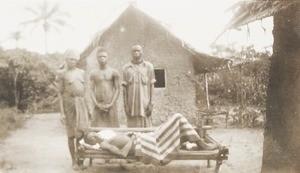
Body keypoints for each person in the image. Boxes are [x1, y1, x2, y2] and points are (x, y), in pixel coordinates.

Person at [81, 113, 222, 166]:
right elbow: (123, 154)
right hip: (144, 142)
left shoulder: (105, 134)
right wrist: (132, 138)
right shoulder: (104, 144)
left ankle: (199, 143)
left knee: (178, 118)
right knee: (178, 118)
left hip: (149, 137)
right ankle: (200, 144)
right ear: (93, 143)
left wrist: (132, 136)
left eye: (93, 134)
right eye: (91, 139)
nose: (94, 136)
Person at [56, 50, 90, 170]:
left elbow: (85, 92)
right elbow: (60, 94)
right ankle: (73, 161)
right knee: (71, 134)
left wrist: (88, 108)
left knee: (80, 133)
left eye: (76, 60)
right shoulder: (61, 73)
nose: (73, 62)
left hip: (80, 104)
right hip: (69, 104)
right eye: (71, 59)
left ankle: (80, 160)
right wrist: (62, 113)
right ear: (66, 60)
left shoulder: (81, 72)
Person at [122, 45, 156, 127]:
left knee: (146, 128)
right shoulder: (126, 68)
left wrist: (151, 103)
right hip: (131, 105)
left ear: (142, 52)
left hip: (145, 103)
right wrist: (126, 105)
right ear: (131, 52)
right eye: (134, 51)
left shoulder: (148, 66)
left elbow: (152, 86)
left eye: (138, 50)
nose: (136, 52)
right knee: (132, 130)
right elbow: (124, 89)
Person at [89, 48, 120, 127]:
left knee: (113, 129)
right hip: (98, 104)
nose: (102, 58)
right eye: (100, 57)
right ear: (97, 58)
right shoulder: (93, 73)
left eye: (104, 56)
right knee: (97, 130)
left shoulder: (114, 72)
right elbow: (91, 90)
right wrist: (96, 103)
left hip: (111, 104)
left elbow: (117, 89)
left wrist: (111, 103)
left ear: (107, 58)